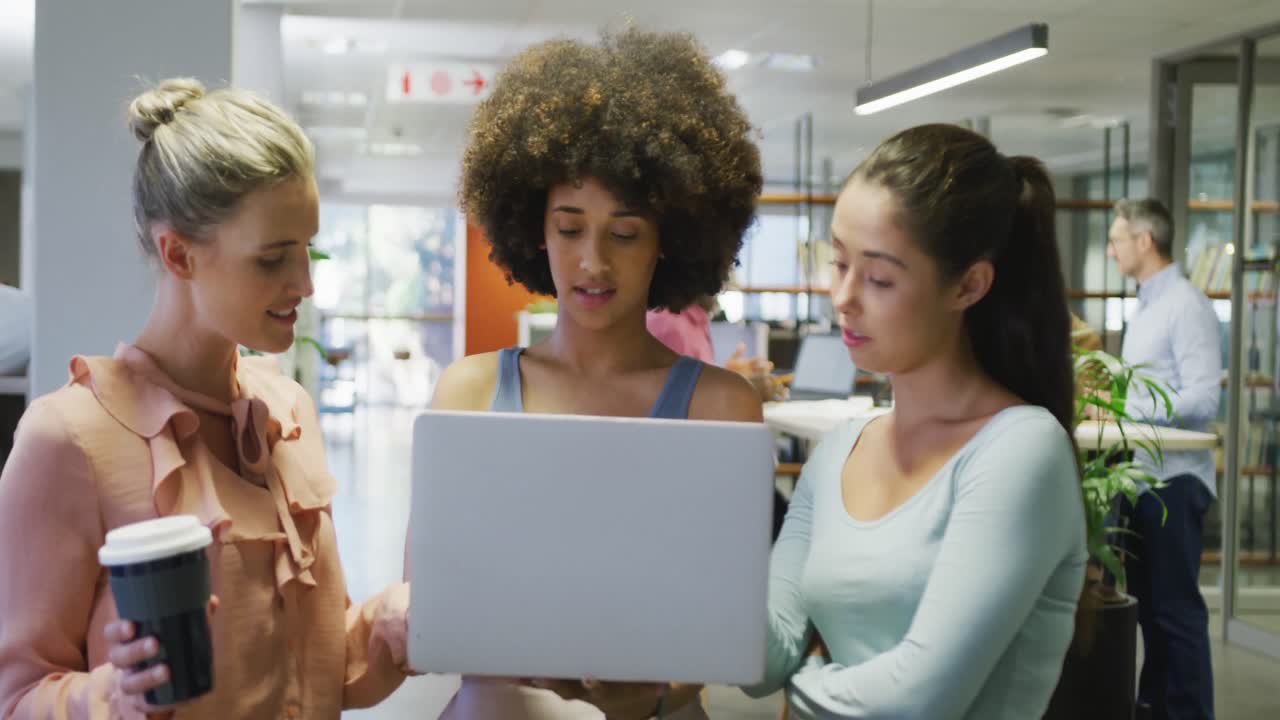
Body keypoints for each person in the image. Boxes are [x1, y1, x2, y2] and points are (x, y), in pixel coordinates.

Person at [0, 79, 411, 720]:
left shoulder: (290, 413)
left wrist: (386, 623)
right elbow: (18, 697)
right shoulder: (69, 437)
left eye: (309, 250)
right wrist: (111, 696)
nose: (304, 282)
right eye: (273, 259)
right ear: (178, 255)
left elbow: (318, 674)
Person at [428, 27, 764, 720]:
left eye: (625, 232)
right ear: (533, 227)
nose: (593, 263)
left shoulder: (721, 408)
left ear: (667, 241)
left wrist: (662, 686)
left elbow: (720, 628)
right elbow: (435, 605)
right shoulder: (468, 392)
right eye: (570, 226)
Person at [743, 124, 1087, 718]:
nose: (844, 297)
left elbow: (917, 702)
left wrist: (804, 686)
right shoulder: (842, 449)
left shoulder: (1020, 451)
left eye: (879, 278)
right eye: (839, 262)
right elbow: (764, 660)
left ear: (969, 285)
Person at [1107, 198, 1220, 720]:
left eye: (1116, 239)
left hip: (1176, 479)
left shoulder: (1185, 304)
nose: (1111, 249)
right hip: (1143, 479)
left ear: (1144, 241)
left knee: (1176, 613)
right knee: (1148, 612)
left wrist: (1134, 407)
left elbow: (1203, 398)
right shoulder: (1146, 305)